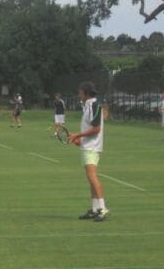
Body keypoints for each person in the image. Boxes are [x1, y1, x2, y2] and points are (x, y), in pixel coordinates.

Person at [68, 81, 109, 222]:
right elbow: (90, 129)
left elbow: (96, 129)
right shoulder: (87, 106)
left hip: (92, 147)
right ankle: (94, 209)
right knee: (90, 178)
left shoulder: (94, 105)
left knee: (92, 177)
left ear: (86, 93)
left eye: (80, 92)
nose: (78, 95)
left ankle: (103, 209)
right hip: (88, 146)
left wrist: (77, 136)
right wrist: (79, 140)